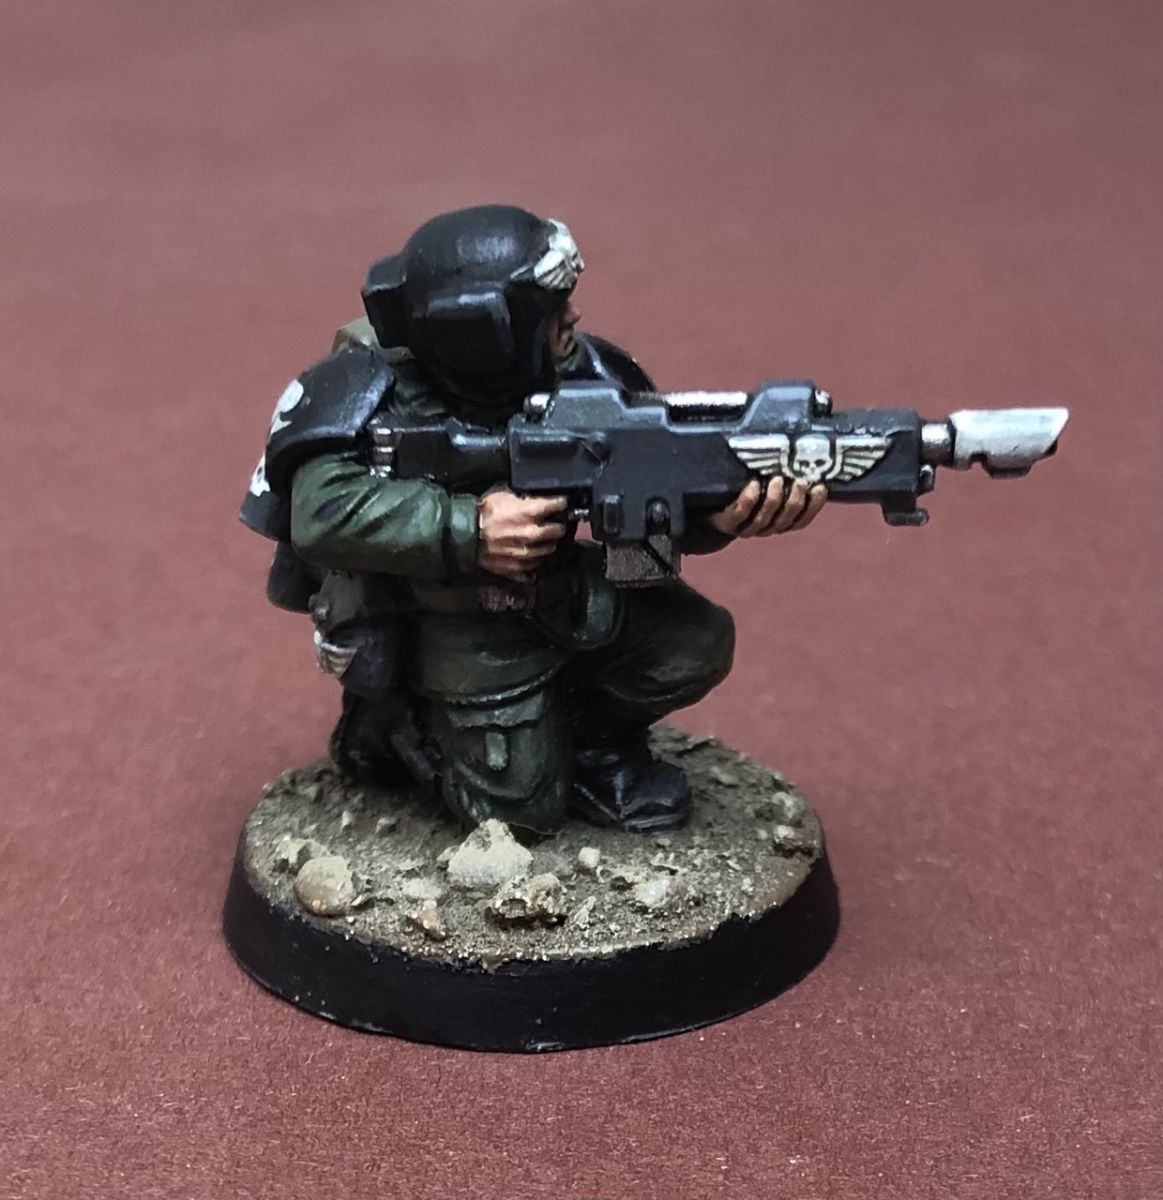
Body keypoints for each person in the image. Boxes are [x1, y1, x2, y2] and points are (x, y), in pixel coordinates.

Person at [241, 206, 825, 835]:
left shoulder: (592, 373)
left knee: (694, 643)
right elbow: (321, 512)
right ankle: (401, 727)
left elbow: (649, 501)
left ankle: (592, 748)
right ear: (486, 333)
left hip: (562, 590)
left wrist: (721, 514)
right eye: (549, 312)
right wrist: (469, 530)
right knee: (517, 818)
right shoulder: (367, 389)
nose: (573, 318)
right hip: (453, 624)